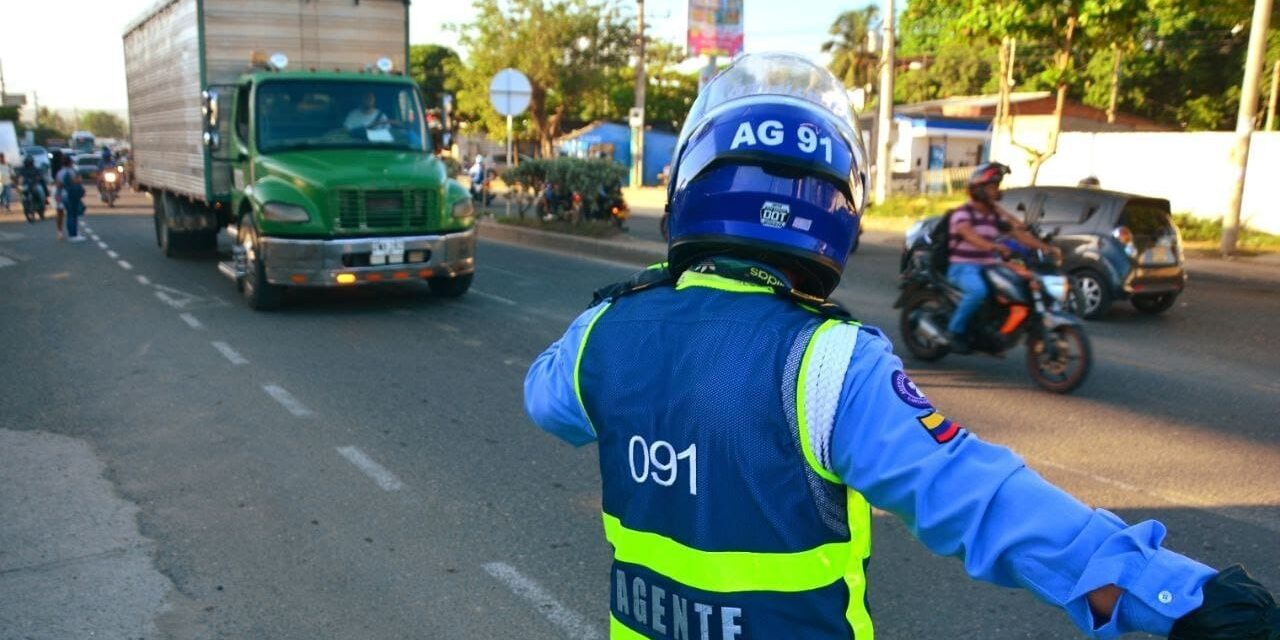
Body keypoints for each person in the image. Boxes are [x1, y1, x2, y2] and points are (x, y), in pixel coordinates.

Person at [523, 52, 1279, 640]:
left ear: (693, 184)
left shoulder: (604, 333)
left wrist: (659, 287)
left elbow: (546, 402)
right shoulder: (826, 364)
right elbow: (979, 499)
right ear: (836, 209)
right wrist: (1175, 595)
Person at [944, 162, 1059, 353]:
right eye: (992, 187)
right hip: (963, 266)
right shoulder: (963, 213)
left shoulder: (993, 215)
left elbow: (1018, 234)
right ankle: (953, 331)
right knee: (978, 292)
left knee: (1024, 280)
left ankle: (997, 327)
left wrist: (1046, 248)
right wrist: (993, 246)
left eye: (996, 186)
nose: (996, 191)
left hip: (990, 264)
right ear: (979, 189)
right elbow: (969, 235)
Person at [55, 155, 86, 242]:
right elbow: (75, 181)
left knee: (67, 214)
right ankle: (73, 234)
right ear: (70, 162)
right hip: (70, 195)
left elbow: (58, 184)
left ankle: (68, 232)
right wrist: (78, 180)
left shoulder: (60, 172)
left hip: (62, 195)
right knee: (72, 215)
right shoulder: (71, 172)